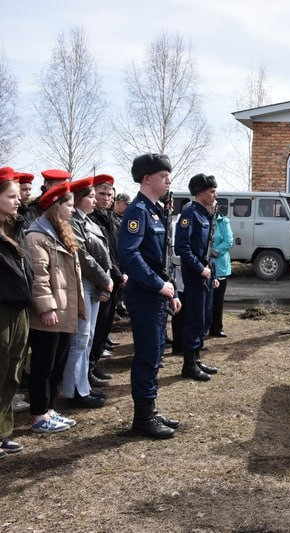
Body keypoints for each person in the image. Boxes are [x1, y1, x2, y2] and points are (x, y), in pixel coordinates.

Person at [118, 153, 181, 439]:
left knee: (155, 353)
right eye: (163, 175)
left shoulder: (155, 210)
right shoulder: (137, 211)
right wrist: (158, 285)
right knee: (146, 355)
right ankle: (142, 418)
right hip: (144, 294)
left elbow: (160, 257)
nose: (168, 180)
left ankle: (150, 410)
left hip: (156, 293)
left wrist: (171, 290)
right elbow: (129, 255)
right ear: (147, 179)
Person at [24, 182, 84, 433]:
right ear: (54, 207)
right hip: (49, 314)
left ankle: (48, 409)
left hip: (65, 310)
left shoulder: (62, 233)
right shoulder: (36, 236)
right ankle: (39, 415)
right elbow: (39, 276)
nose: (72, 209)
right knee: (43, 367)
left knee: (58, 365)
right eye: (68, 205)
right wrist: (47, 307)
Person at [63, 177, 113, 408]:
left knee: (88, 337)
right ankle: (74, 390)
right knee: (80, 339)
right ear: (78, 198)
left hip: (94, 285)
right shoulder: (73, 222)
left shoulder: (89, 221)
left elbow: (104, 253)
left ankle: (82, 386)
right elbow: (83, 256)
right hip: (83, 284)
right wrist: (104, 280)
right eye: (91, 196)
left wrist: (106, 280)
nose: (95, 200)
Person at [0, 168, 33, 455]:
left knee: (12, 371)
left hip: (19, 309)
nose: (18, 201)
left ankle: (3, 431)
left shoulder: (14, 228)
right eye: (11, 196)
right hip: (2, 310)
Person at [174, 173, 219, 381]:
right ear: (199, 193)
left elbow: (209, 248)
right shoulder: (190, 214)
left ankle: (197, 357)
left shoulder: (206, 214)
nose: (214, 194)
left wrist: (212, 273)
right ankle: (189, 364)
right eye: (211, 191)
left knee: (204, 318)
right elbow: (183, 247)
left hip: (206, 274)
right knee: (194, 318)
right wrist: (200, 268)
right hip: (194, 275)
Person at [88, 174, 126, 383]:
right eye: (101, 193)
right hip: (100, 281)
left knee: (104, 328)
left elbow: (118, 248)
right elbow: (101, 254)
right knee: (93, 330)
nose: (106, 198)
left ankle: (93, 366)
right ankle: (87, 370)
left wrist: (123, 272)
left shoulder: (111, 218)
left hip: (115, 280)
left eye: (109, 194)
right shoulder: (90, 218)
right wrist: (115, 273)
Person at [209, 201, 233, 337]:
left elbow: (228, 241)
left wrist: (214, 251)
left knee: (218, 299)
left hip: (219, 265)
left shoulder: (223, 222)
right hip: (204, 265)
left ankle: (216, 327)